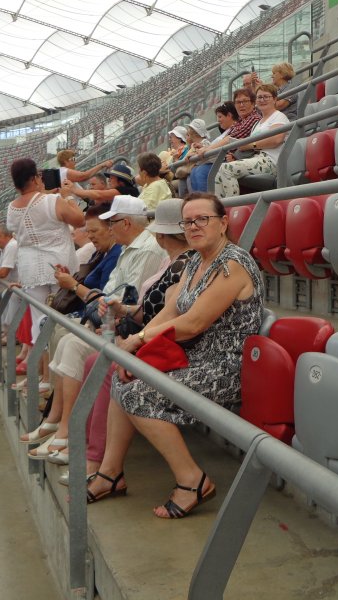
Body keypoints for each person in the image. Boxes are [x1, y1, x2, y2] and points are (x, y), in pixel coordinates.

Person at [86, 192, 263, 519]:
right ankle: (110, 474)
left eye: (203, 219)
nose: (194, 226)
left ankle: (192, 480)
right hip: (192, 358)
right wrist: (137, 349)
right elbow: (171, 311)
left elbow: (194, 323)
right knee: (123, 376)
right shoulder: (195, 260)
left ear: (223, 223)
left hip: (224, 367)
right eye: (188, 221)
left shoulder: (232, 264)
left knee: (137, 393)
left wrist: (137, 338)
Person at [27, 195, 166, 462]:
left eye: (111, 223)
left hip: (125, 328)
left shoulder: (145, 250)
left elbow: (124, 301)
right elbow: (109, 295)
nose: (109, 229)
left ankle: (67, 428)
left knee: (72, 343)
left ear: (126, 223)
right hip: (111, 321)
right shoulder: (128, 249)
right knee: (65, 336)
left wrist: (101, 309)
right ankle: (58, 421)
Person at [64, 198, 193, 483]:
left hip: (164, 343)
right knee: (95, 362)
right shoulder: (170, 261)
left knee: (107, 366)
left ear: (162, 235)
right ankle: (87, 448)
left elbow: (171, 316)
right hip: (148, 335)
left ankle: (97, 459)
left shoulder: (184, 264)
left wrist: (133, 337)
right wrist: (123, 311)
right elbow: (150, 308)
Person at [20, 203, 123, 444]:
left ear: (112, 228)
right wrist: (71, 279)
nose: (90, 236)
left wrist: (73, 285)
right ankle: (55, 415)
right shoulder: (103, 252)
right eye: (88, 231)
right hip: (95, 315)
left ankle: (61, 420)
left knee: (66, 338)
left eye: (94, 231)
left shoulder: (116, 253)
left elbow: (102, 297)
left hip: (100, 318)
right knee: (55, 330)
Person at [5, 158, 84, 349]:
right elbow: (79, 220)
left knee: (38, 321)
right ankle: (56, 363)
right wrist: (68, 197)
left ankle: (41, 365)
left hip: (31, 269)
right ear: (34, 178)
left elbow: (15, 227)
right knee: (63, 318)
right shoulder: (52, 201)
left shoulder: (12, 207)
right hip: (60, 266)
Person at [214, 83, 290, 198]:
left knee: (225, 169)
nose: (262, 100)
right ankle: (220, 206)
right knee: (217, 171)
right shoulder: (258, 123)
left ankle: (233, 205)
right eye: (259, 97)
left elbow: (276, 140)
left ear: (275, 99)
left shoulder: (279, 116)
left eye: (266, 97)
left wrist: (250, 145)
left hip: (271, 162)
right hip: (256, 159)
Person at [186, 102, 243, 193]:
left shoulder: (235, 130)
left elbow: (227, 146)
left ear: (229, 115)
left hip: (222, 161)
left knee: (200, 171)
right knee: (194, 171)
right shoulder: (225, 133)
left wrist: (205, 149)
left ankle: (206, 200)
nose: (218, 120)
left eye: (220, 117)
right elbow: (213, 148)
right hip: (214, 159)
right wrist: (203, 147)